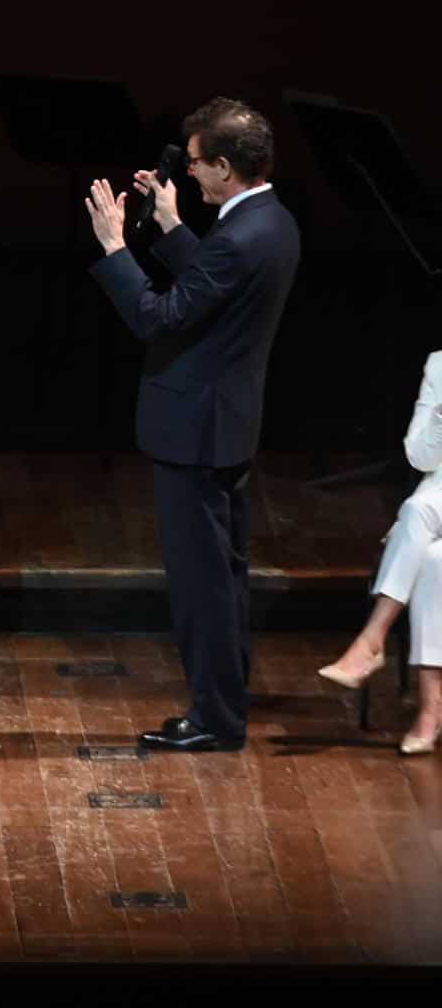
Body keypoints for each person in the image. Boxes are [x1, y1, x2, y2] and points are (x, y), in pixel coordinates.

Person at [86, 97, 300, 752]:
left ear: (228, 168)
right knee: (223, 575)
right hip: (225, 425)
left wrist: (116, 247)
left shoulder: (241, 237)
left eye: (199, 163)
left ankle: (216, 719)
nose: (191, 172)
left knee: (202, 586)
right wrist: (175, 226)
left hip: (197, 430)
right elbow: (215, 285)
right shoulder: (271, 220)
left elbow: (160, 315)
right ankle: (222, 701)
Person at [318, 351, 442, 755]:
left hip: (428, 509)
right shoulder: (439, 364)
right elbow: (419, 456)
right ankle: (431, 707)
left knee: (419, 517)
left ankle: (372, 641)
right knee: (431, 552)